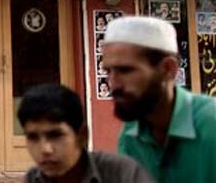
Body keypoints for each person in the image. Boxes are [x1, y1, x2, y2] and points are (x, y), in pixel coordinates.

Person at [102, 16, 216, 183]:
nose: (113, 84)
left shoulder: (211, 124)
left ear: (168, 69)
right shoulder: (130, 135)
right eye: (108, 71)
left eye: (125, 70)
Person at [18, 83, 153, 183]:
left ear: (82, 135)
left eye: (55, 136)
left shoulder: (122, 174)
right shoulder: (33, 179)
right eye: (33, 137)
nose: (45, 149)